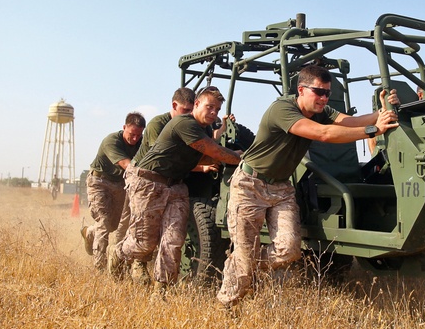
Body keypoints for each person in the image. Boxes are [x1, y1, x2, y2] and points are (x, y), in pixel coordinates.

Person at [216, 64, 399, 309]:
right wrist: (372, 130)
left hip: (281, 188)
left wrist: (383, 110)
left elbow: (350, 121)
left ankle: (242, 262)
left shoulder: (320, 109)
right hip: (251, 185)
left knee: (289, 251)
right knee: (245, 263)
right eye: (319, 92)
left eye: (327, 93)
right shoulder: (283, 108)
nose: (324, 98)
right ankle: (228, 303)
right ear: (301, 90)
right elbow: (323, 134)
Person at [118, 86, 242, 289]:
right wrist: (237, 158)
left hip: (176, 186)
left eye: (218, 110)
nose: (214, 113)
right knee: (143, 243)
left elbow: (206, 153)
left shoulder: (205, 130)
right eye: (209, 107)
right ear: (196, 104)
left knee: (173, 240)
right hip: (149, 182)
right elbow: (211, 150)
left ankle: (161, 289)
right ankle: (118, 254)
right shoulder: (184, 123)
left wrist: (235, 152)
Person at [81, 112, 146, 271]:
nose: (135, 138)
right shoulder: (111, 141)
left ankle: (90, 232)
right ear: (124, 127)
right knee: (104, 221)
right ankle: (100, 267)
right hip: (99, 182)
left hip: (119, 184)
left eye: (138, 135)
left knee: (114, 225)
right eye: (132, 134)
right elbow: (126, 165)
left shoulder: (141, 142)